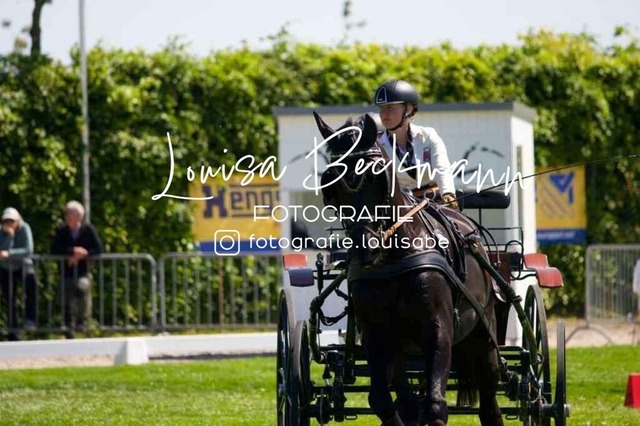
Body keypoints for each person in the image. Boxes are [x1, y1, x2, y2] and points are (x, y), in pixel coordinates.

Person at [373, 79, 459, 209]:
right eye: (381, 109)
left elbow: (442, 168)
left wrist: (447, 192)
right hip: (401, 206)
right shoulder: (377, 145)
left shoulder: (428, 135)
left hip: (435, 201)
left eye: (390, 107)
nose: (384, 114)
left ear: (408, 109)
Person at [50, 201, 103, 338]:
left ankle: (82, 322)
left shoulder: (88, 230)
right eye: (66, 213)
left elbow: (98, 249)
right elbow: (54, 249)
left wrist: (84, 253)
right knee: (65, 299)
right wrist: (72, 251)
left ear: (79, 216)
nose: (67, 216)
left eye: (70, 213)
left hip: (83, 271)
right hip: (66, 272)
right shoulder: (62, 231)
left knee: (82, 289)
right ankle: (68, 329)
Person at [0, 207, 38, 340]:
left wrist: (10, 254)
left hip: (23, 265)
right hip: (6, 268)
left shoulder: (24, 228)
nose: (9, 223)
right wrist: (10, 237)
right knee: (9, 297)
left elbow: (28, 249)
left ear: (17, 220)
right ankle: (13, 329)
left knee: (31, 286)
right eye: (6, 221)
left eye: (11, 221)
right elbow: (2, 251)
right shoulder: (1, 232)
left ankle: (30, 319)